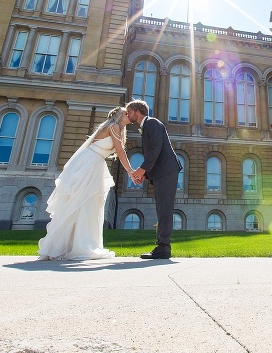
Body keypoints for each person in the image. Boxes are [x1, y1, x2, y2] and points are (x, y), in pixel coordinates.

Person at [38, 106, 133, 260]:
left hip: (95, 162)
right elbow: (120, 151)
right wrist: (130, 171)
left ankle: (77, 244)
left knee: (89, 204)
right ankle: (74, 246)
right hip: (90, 163)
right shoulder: (114, 126)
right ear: (119, 116)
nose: (129, 115)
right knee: (82, 201)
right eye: (126, 113)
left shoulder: (118, 129)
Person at [126, 99, 181, 259]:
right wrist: (145, 174)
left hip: (166, 170)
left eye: (129, 112)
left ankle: (163, 248)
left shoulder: (152, 123)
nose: (128, 115)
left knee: (164, 209)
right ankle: (163, 247)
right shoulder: (147, 126)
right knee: (162, 209)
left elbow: (156, 148)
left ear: (137, 110)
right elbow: (154, 152)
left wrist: (142, 169)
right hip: (162, 171)